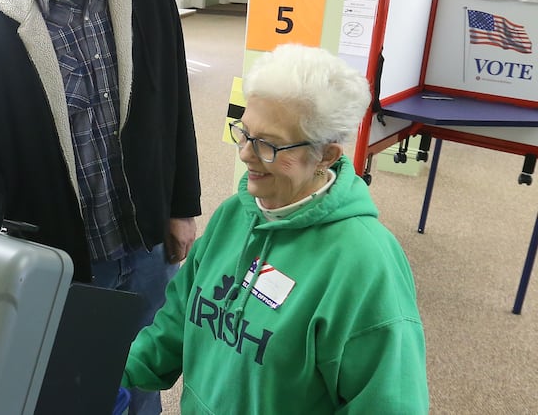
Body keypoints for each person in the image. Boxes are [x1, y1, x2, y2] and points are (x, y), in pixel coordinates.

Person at [0, 0, 201, 412]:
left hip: (144, 236)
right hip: (68, 253)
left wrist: (181, 206)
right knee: (85, 388)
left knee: (147, 373)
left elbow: (174, 96)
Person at [121, 44, 429, 414]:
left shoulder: (365, 264)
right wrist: (108, 373)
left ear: (325, 156)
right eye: (244, 133)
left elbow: (389, 403)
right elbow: (175, 327)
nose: (246, 154)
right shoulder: (234, 215)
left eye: (269, 144)